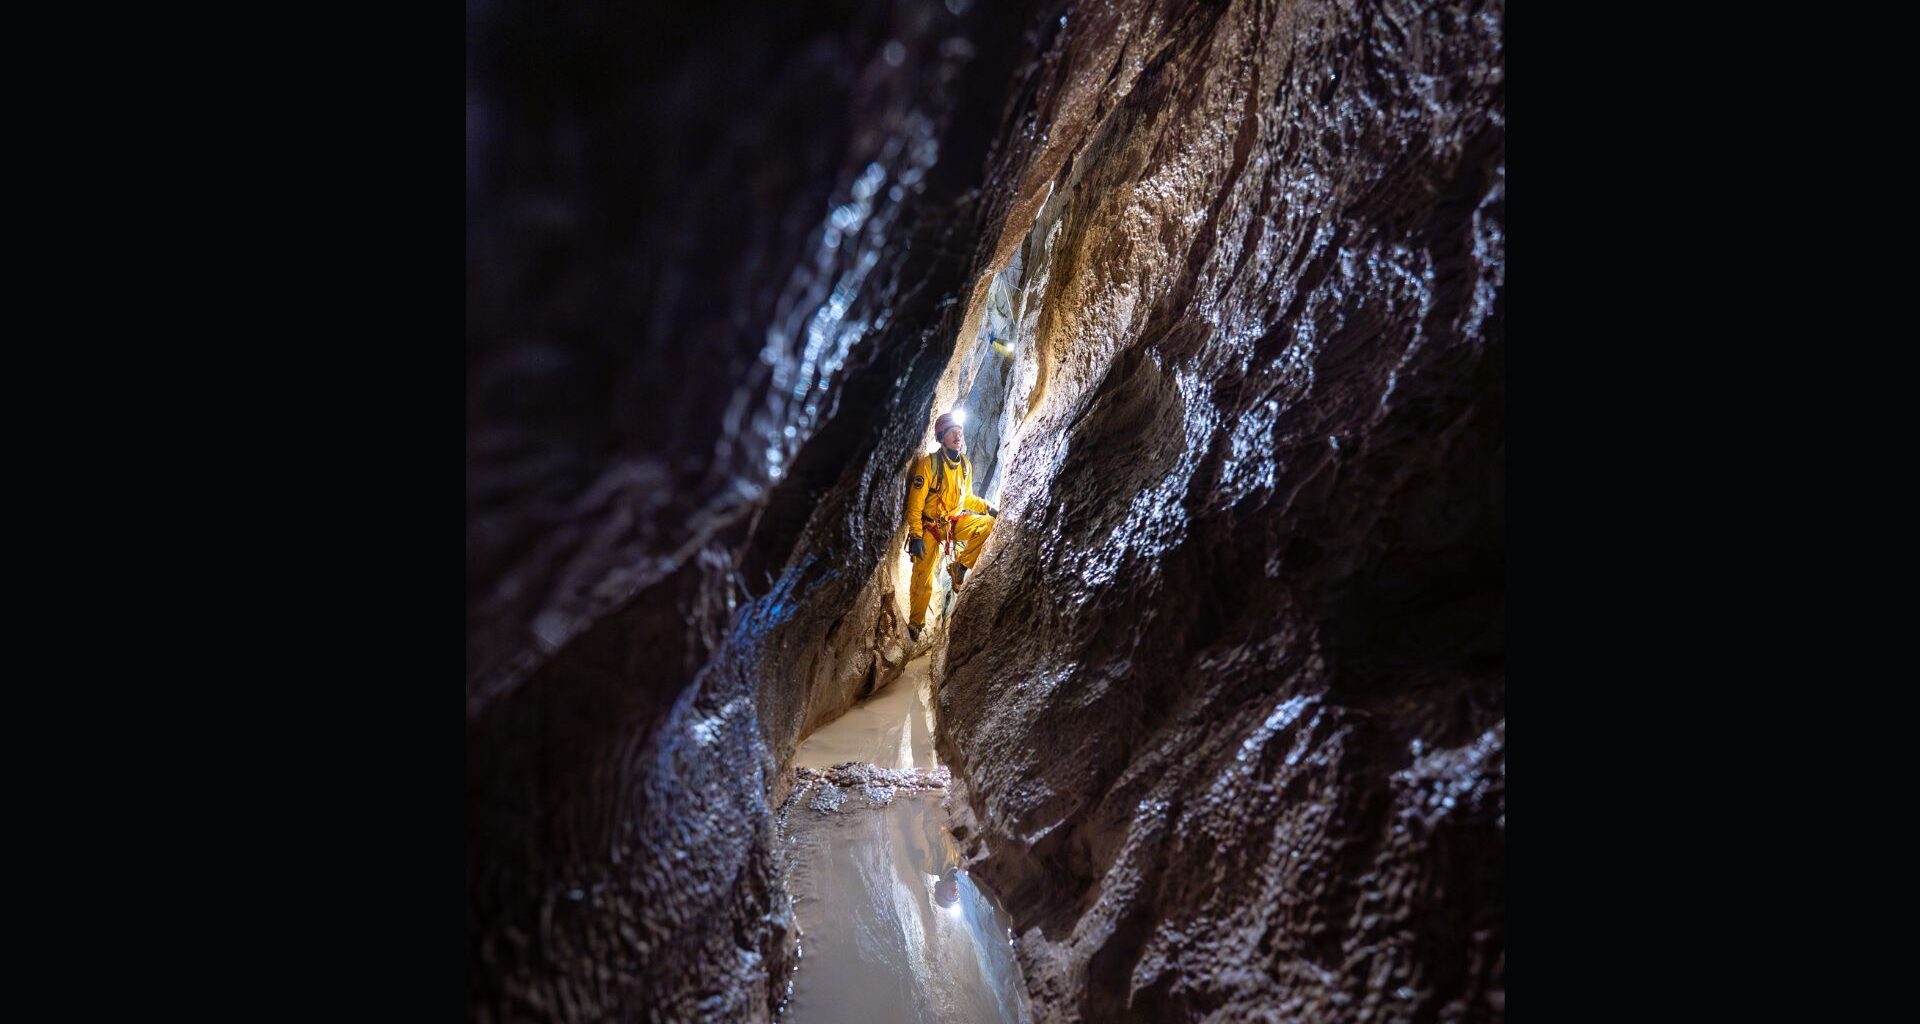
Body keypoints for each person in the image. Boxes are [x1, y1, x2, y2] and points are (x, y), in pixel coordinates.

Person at [903, 410, 997, 641]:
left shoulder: (964, 464)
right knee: (922, 575)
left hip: (953, 523)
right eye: (952, 431)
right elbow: (914, 505)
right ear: (941, 437)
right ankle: (916, 623)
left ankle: (960, 567)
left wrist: (986, 507)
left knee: (987, 524)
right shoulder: (928, 465)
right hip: (929, 527)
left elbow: (966, 498)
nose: (958, 435)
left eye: (960, 430)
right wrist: (915, 535)